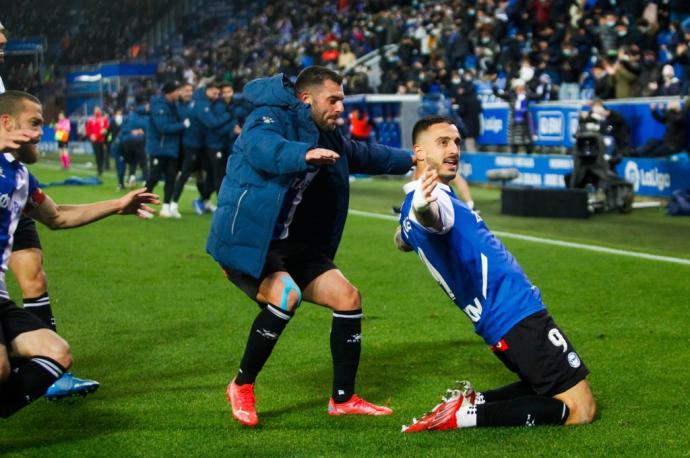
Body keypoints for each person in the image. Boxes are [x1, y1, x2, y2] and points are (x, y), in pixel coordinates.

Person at [206, 66, 414, 427]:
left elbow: (365, 154)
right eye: (333, 100)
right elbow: (263, 149)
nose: (340, 108)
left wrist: (415, 159)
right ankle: (241, 385)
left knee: (348, 297)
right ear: (306, 99)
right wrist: (303, 155)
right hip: (249, 242)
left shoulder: (328, 135)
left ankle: (343, 399)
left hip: (292, 244)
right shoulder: (267, 117)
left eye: (342, 100)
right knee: (286, 295)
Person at [395, 115, 595, 432]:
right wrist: (422, 203)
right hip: (515, 313)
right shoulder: (430, 201)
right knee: (580, 409)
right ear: (418, 152)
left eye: (457, 142)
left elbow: (407, 236)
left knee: (544, 387)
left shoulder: (415, 205)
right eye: (443, 142)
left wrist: (406, 230)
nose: (454, 150)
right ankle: (464, 417)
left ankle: (473, 404)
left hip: (501, 319)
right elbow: (431, 217)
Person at [0, 90, 159, 417]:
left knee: (56, 353)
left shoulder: (21, 178)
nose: (41, 132)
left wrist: (117, 205)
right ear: (6, 123)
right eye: (34, 123)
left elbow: (57, 216)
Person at [145, 81, 190, 218]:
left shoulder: (175, 105)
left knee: (171, 178)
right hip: (159, 148)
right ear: (170, 92)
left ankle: (166, 207)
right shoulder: (159, 105)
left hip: (172, 148)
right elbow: (163, 127)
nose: (179, 93)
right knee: (153, 179)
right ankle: (141, 206)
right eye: (177, 91)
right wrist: (182, 125)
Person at [493, 79, 535, 154]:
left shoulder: (527, 95)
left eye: (522, 88)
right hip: (514, 123)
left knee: (528, 144)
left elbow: (539, 96)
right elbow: (497, 94)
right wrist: (494, 84)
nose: (520, 90)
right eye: (518, 88)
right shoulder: (510, 95)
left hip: (525, 124)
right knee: (514, 145)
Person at [119, 95, 149, 187]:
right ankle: (145, 181)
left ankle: (131, 177)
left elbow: (123, 128)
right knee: (143, 161)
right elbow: (147, 129)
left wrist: (129, 131)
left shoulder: (130, 115)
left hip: (126, 141)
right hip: (139, 140)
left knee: (132, 161)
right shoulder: (146, 116)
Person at [85, 106, 109, 176]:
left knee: (102, 154)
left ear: (100, 111)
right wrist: (91, 136)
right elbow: (88, 130)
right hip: (94, 141)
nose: (97, 111)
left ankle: (101, 167)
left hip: (102, 140)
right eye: (96, 110)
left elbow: (106, 129)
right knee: (97, 154)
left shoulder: (104, 120)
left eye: (98, 110)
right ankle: (99, 169)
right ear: (94, 111)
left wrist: (103, 133)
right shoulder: (91, 120)